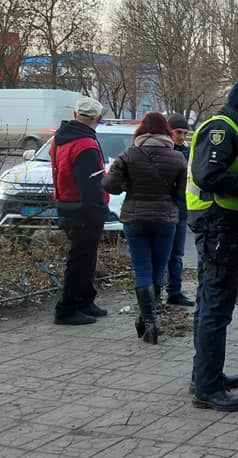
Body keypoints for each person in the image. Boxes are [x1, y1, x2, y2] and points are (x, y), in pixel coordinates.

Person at [187, 82, 238, 412]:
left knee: (210, 302)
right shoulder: (222, 128)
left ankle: (206, 375)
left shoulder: (237, 130)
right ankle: (207, 388)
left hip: (225, 225)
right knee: (217, 306)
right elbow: (208, 175)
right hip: (218, 224)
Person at [103, 112, 187, 344]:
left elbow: (110, 186)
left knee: (141, 270)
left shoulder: (129, 154)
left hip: (135, 218)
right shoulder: (177, 158)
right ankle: (149, 321)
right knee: (158, 270)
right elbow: (181, 195)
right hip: (165, 219)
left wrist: (127, 183)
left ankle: (148, 322)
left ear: (141, 130)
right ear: (166, 131)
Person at [50, 96, 109, 326]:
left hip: (66, 204)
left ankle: (85, 301)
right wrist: (100, 210)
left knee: (84, 257)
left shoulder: (59, 139)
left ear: (75, 115)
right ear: (99, 119)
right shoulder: (86, 144)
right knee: (80, 259)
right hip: (84, 209)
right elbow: (92, 184)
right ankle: (67, 308)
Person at [165, 113, 194, 307]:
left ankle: (174, 291)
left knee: (177, 254)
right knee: (162, 255)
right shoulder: (161, 151)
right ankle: (155, 292)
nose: (182, 137)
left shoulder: (188, 153)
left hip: (181, 210)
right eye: (178, 132)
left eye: (185, 133)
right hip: (163, 210)